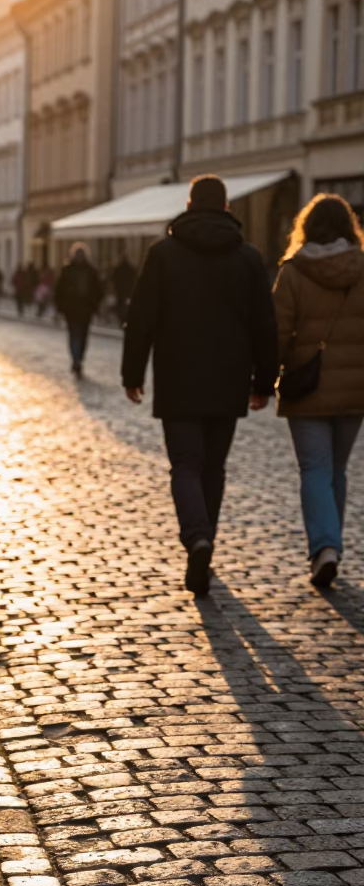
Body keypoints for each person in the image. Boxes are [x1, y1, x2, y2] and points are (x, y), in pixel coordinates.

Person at [122, 174, 278, 597]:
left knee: (186, 464)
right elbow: (266, 324)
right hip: (228, 380)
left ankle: (197, 537)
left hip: (177, 377)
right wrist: (265, 380)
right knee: (213, 467)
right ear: (227, 208)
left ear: (189, 206)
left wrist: (132, 374)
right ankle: (205, 535)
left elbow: (141, 320)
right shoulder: (247, 258)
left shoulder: (164, 254)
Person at [273, 193, 364, 587]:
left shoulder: (294, 271)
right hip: (356, 388)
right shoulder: (362, 267)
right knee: (336, 469)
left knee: (314, 468)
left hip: (306, 388)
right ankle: (331, 545)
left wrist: (264, 377)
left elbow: (276, 332)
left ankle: (325, 546)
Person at [55, 243, 104, 378]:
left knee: (82, 336)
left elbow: (98, 290)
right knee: (74, 335)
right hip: (71, 309)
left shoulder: (90, 271)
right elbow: (59, 290)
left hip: (85, 309)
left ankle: (79, 358)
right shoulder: (68, 270)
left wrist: (94, 305)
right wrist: (60, 307)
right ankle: (76, 358)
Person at [111, 253, 137, 326]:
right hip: (127, 291)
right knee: (124, 306)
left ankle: (123, 319)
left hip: (122, 291)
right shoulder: (130, 269)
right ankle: (124, 319)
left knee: (121, 306)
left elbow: (114, 278)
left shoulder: (119, 268)